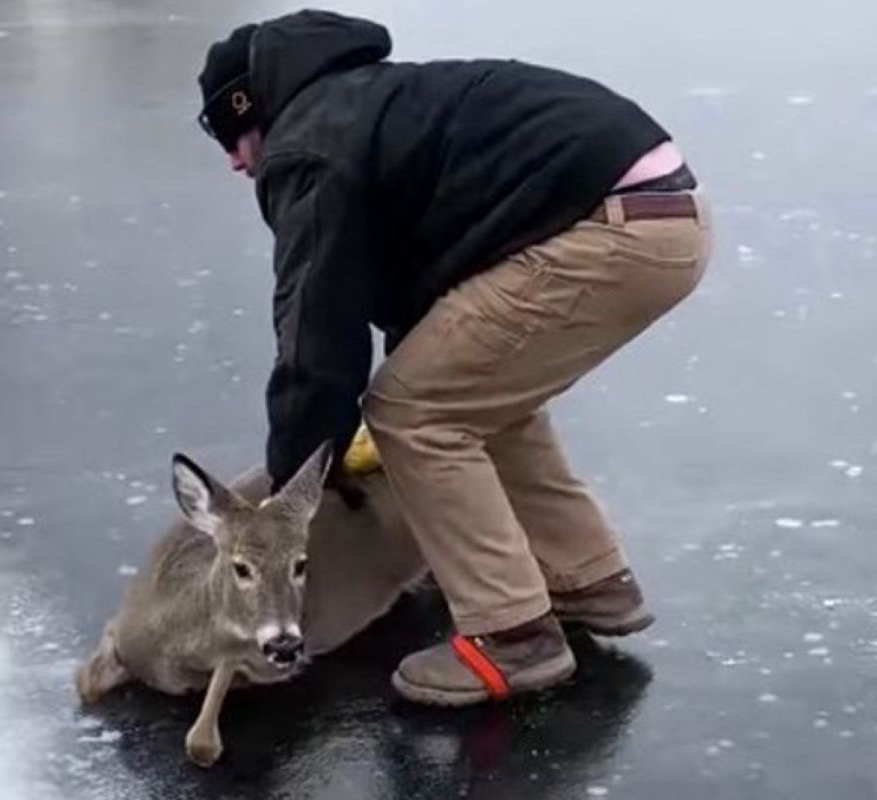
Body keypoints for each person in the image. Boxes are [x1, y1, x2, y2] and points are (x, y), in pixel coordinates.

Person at [195, 9, 711, 706]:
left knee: (416, 411)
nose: (232, 160)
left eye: (228, 136)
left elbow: (316, 332)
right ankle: (587, 579)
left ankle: (513, 636)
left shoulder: (308, 146)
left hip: (605, 231)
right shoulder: (371, 105)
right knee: (471, 391)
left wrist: (295, 489)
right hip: (664, 219)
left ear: (249, 106)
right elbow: (419, 290)